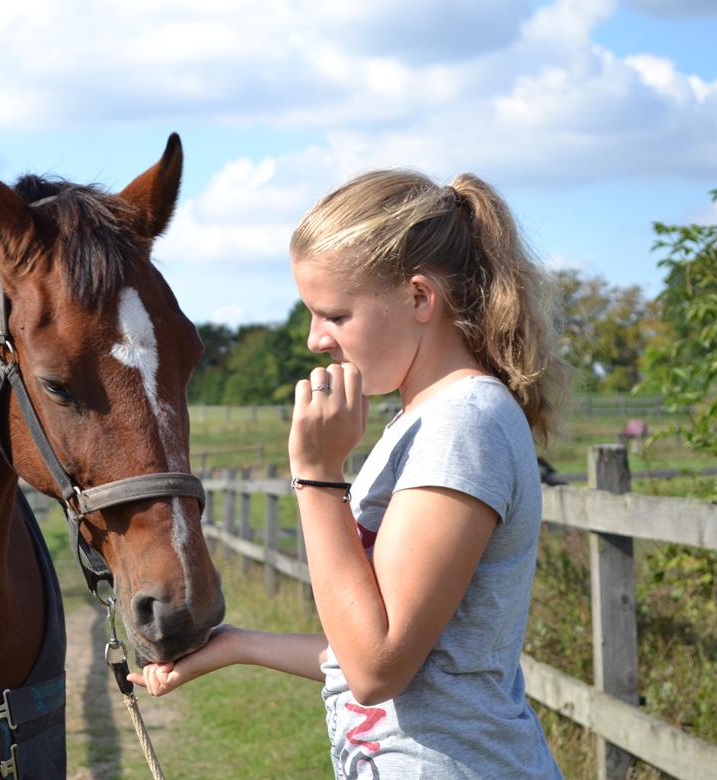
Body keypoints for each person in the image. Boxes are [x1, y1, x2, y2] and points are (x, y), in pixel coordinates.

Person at [127, 170, 567, 779]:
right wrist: (238, 645)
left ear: (419, 298)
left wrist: (317, 475)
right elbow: (389, 651)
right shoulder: (422, 421)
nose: (314, 339)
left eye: (333, 314)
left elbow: (377, 668)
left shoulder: (464, 424)